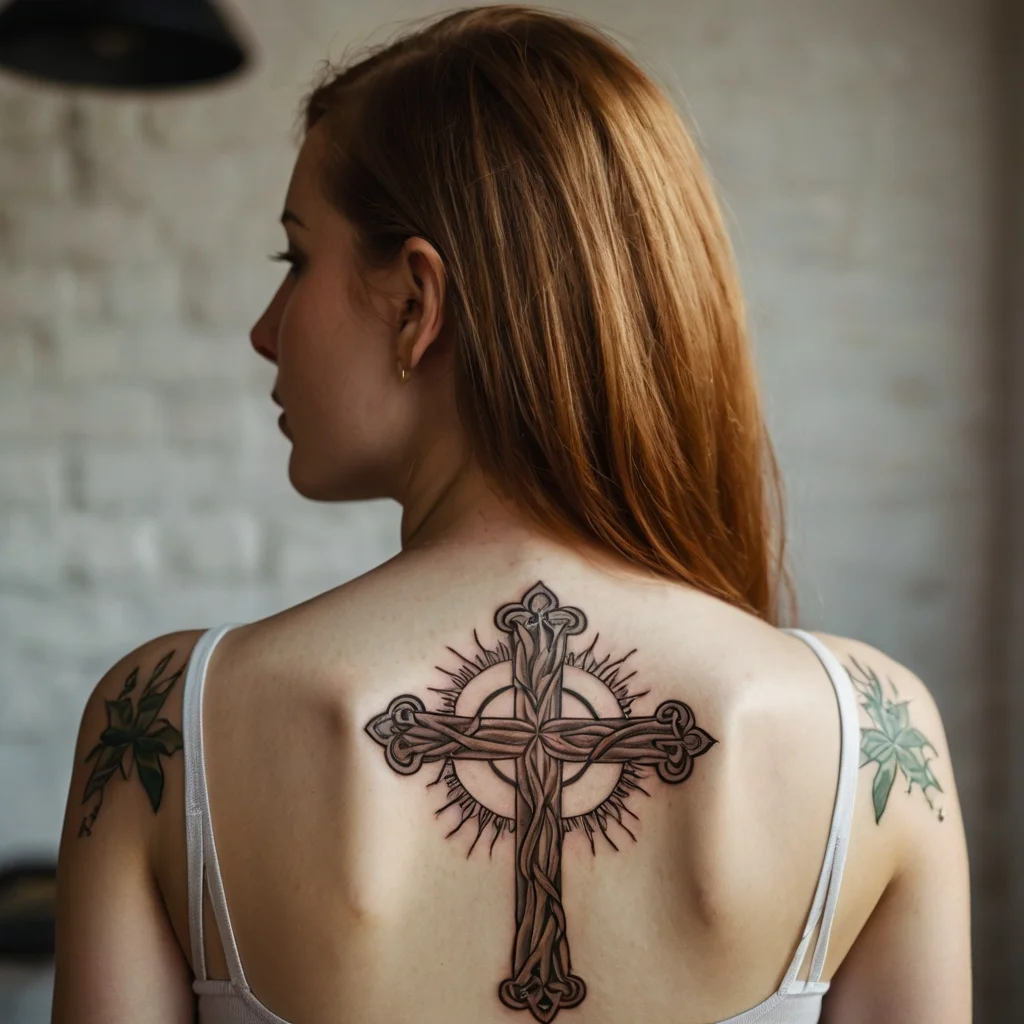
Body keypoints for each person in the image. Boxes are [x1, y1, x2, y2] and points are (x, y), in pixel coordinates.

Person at [51, 5, 971, 1023]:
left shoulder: (164, 730)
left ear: (415, 302)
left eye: (294, 261)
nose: (266, 332)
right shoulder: (875, 740)